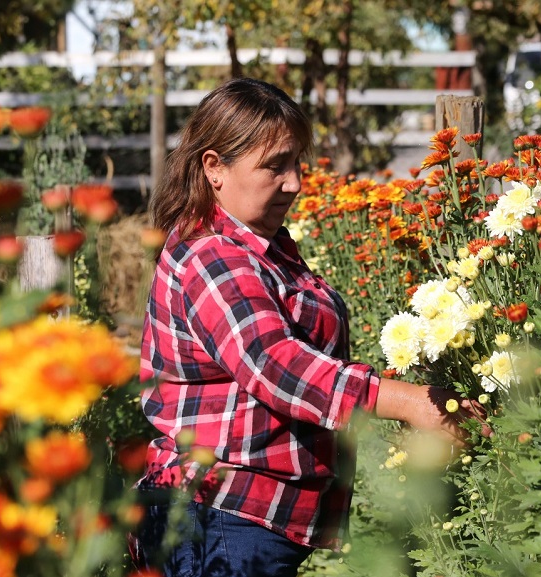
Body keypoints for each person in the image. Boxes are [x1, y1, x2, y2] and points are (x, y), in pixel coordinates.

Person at [131, 77, 486, 577]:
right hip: (219, 519)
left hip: (244, 519)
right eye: (274, 165)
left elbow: (303, 355)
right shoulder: (214, 255)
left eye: (297, 162)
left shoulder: (263, 244)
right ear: (214, 168)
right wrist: (403, 400)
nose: (295, 182)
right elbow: (275, 363)